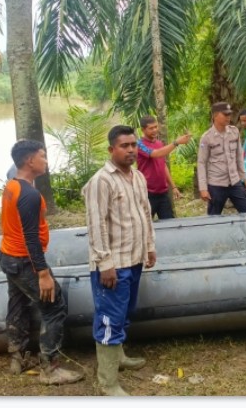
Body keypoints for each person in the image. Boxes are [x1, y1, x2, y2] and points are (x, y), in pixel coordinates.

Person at [0, 140, 83, 385]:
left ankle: (19, 358)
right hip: (24, 260)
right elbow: (31, 238)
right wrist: (43, 273)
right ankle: (50, 368)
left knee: (17, 303)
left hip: (8, 256)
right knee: (54, 307)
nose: (46, 161)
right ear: (29, 161)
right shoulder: (29, 195)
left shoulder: (12, 186)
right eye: (42, 156)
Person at [83, 125, 157, 396]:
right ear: (111, 149)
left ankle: (120, 357)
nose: (130, 150)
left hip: (134, 258)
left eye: (133, 145)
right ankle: (108, 383)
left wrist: (149, 246)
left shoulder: (137, 176)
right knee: (109, 318)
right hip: (113, 265)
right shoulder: (101, 181)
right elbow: (96, 224)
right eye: (124, 146)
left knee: (125, 313)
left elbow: (145, 214)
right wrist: (105, 263)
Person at [197, 102, 246, 215]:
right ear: (215, 115)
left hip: (234, 182)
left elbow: (239, 157)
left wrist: (245, 178)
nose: (229, 117)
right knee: (214, 218)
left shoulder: (234, 132)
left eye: (229, 114)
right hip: (216, 185)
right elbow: (201, 163)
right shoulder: (207, 137)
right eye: (225, 114)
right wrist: (203, 188)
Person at [137, 115, 192, 219]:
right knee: (145, 225)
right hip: (147, 194)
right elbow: (155, 154)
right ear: (143, 129)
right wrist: (176, 142)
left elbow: (163, 165)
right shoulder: (139, 144)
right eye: (151, 128)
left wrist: (174, 186)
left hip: (163, 193)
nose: (154, 130)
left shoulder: (159, 143)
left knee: (170, 225)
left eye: (156, 127)